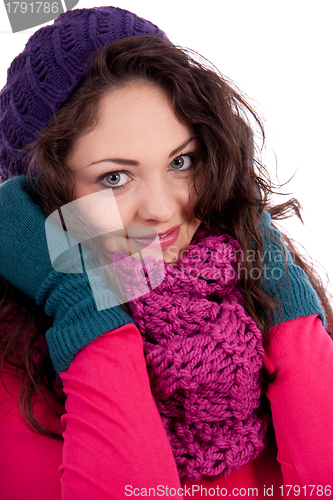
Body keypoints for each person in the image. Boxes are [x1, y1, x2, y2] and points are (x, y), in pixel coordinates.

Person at [0, 5, 333, 499]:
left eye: (182, 161)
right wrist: (83, 302)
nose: (162, 209)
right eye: (115, 177)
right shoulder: (16, 372)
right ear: (40, 198)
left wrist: (282, 292)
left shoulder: (252, 294)